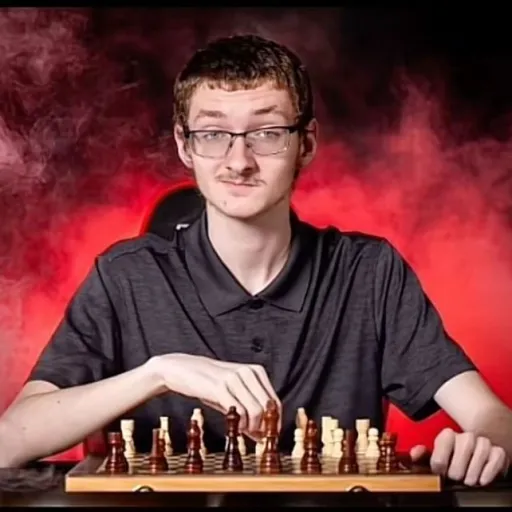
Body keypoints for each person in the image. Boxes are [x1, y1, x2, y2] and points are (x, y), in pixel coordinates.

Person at [0, 34, 510, 490]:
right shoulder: (124, 277)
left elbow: (496, 420)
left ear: (305, 143)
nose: (239, 161)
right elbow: (9, 441)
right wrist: (160, 373)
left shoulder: (369, 273)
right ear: (184, 145)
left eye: (267, 133)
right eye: (212, 133)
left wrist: (484, 446)